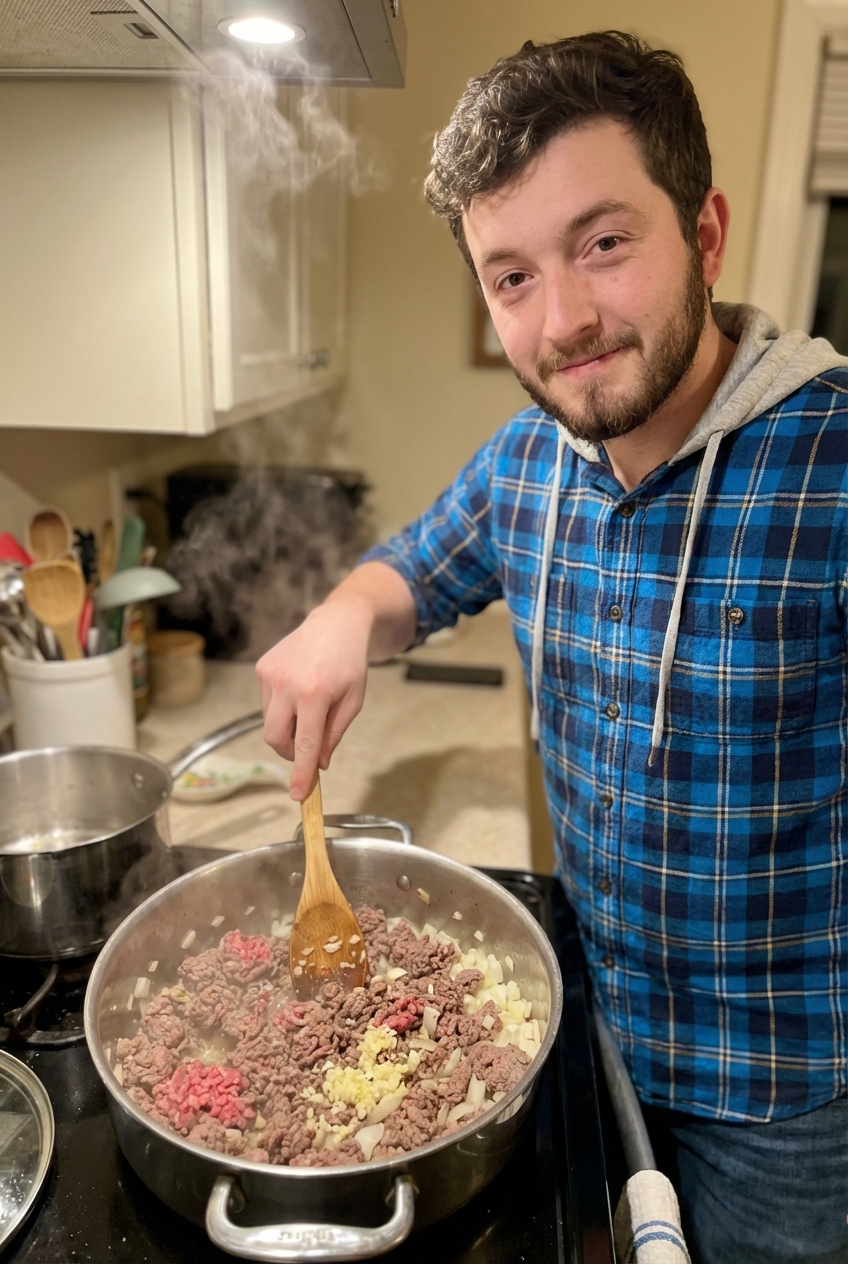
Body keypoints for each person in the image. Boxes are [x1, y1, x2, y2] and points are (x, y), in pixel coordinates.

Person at [256, 32, 847, 1264]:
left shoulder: (829, 463)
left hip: (793, 1095)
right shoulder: (527, 463)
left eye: (603, 244)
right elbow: (409, 571)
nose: (564, 319)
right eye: (510, 275)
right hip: (585, 1031)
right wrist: (340, 617)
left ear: (704, 233)